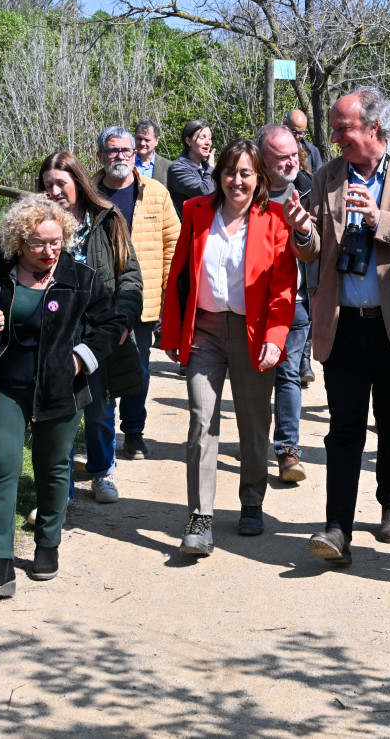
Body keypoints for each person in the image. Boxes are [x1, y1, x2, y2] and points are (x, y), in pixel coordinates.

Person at [283, 86, 390, 566]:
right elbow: (314, 251)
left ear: (374, 128)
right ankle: (338, 526)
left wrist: (381, 220)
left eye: (343, 128)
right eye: (333, 129)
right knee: (344, 428)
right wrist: (302, 232)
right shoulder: (328, 175)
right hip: (344, 324)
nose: (334, 138)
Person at [0, 195, 132, 599]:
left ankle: (47, 543)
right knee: (1, 464)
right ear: (19, 241)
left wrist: (80, 358)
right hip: (2, 385)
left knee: (53, 466)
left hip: (61, 388)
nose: (49, 251)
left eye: (56, 242)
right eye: (39, 244)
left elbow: (112, 323)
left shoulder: (80, 277)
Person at [161, 138, 298, 556]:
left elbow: (282, 287)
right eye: (229, 172)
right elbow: (179, 274)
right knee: (202, 419)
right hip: (203, 331)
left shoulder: (274, 219)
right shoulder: (196, 212)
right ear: (218, 175)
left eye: (245, 173)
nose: (236, 181)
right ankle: (200, 518)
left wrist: (276, 339)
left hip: (252, 333)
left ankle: (252, 500)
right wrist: (171, 333)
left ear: (259, 179)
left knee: (254, 423)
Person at [38, 152, 144, 503]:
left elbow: (129, 274)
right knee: (60, 412)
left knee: (99, 411)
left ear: (78, 183)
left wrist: (123, 318)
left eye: (60, 184)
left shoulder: (107, 219)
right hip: (54, 335)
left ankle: (101, 472)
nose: (53, 191)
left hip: (98, 333)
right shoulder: (35, 224)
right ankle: (60, 490)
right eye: (47, 184)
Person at [93, 126, 182, 461]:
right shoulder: (88, 190)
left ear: (136, 154)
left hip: (142, 301)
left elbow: (174, 244)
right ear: (100, 154)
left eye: (126, 151)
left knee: (138, 370)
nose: (121, 157)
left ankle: (133, 433)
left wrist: (167, 293)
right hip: (97, 298)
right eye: (113, 150)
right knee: (97, 369)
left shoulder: (156, 192)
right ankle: (99, 439)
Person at [259, 124, 314, 482]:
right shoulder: (245, 191)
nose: (291, 163)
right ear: (263, 160)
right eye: (281, 158)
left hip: (296, 298)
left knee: (288, 373)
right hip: (250, 299)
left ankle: (288, 450)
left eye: (294, 155)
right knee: (253, 378)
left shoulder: (311, 190)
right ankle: (252, 441)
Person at [166, 119, 216, 217]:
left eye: (209, 138)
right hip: (187, 229)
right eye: (202, 138)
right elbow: (204, 191)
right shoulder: (177, 168)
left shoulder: (206, 167)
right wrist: (211, 168)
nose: (208, 142)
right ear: (188, 141)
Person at [134, 118, 172, 191]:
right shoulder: (126, 163)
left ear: (157, 141)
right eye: (139, 138)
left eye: (147, 140)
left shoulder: (168, 167)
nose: (142, 143)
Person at [286, 108, 323, 172]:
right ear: (285, 125)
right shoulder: (274, 148)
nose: (297, 137)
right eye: (294, 132)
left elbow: (320, 179)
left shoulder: (313, 151)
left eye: (300, 133)